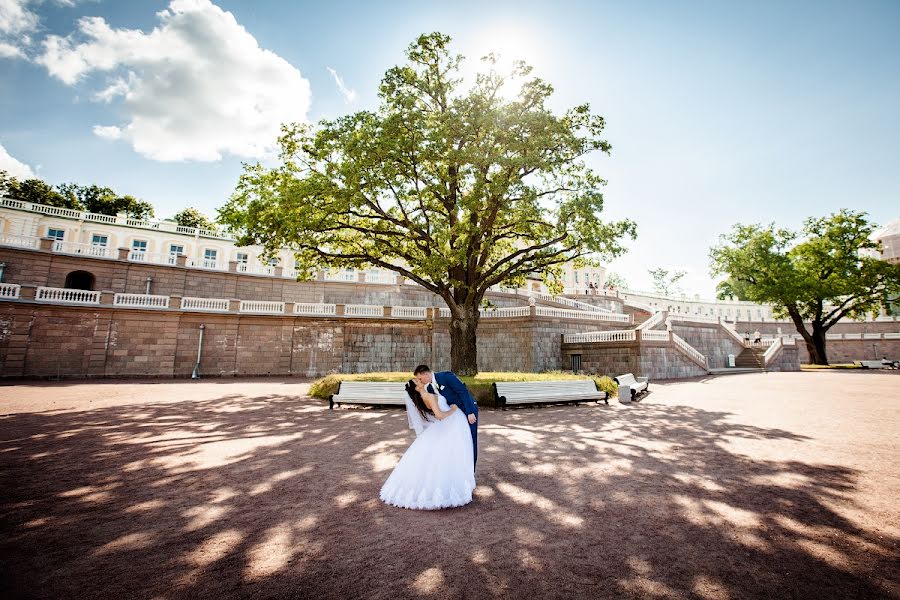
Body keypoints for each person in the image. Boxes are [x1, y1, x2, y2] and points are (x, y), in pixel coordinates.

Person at [379, 378, 476, 510]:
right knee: (450, 455)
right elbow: (440, 415)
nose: (419, 380)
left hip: (448, 426)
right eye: (417, 382)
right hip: (450, 424)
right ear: (417, 388)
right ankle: (446, 489)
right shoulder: (428, 396)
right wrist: (453, 409)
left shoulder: (425, 395)